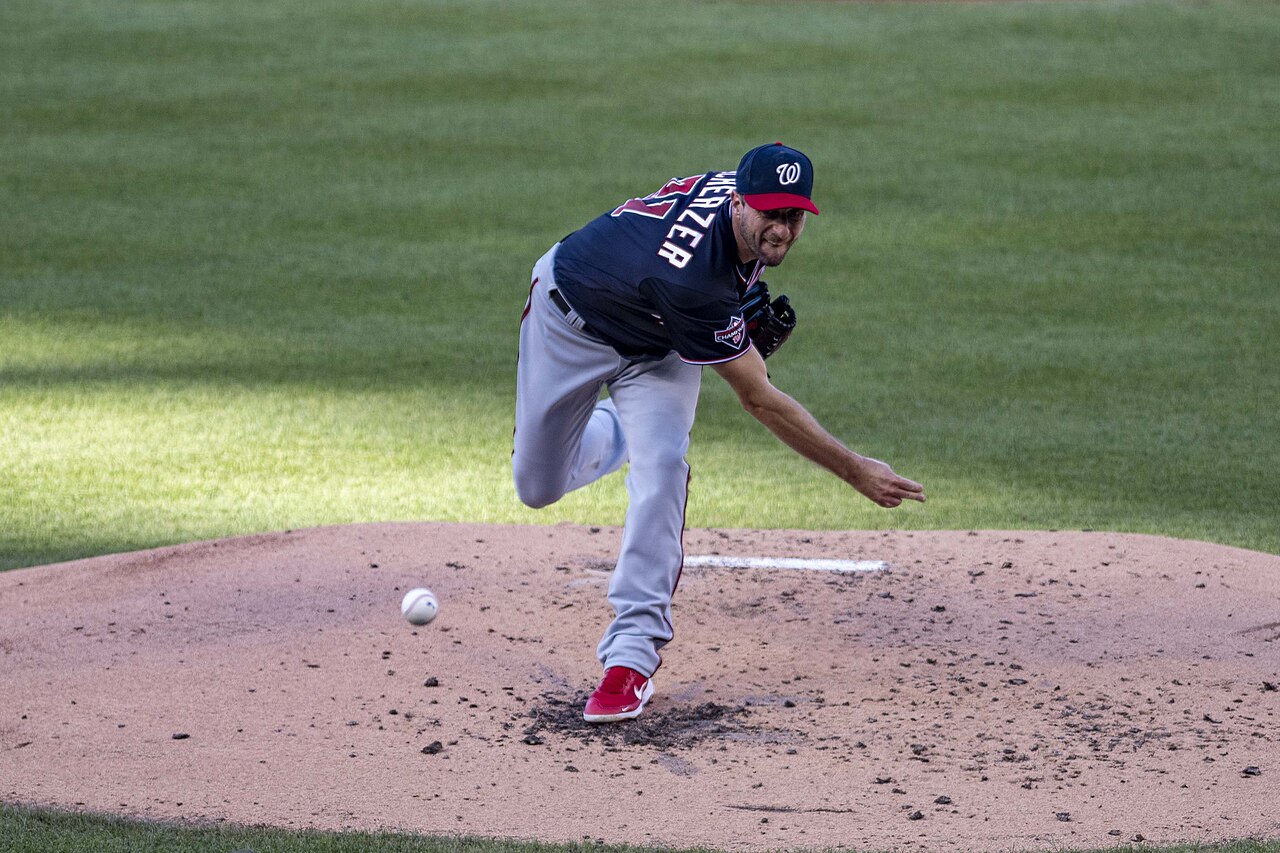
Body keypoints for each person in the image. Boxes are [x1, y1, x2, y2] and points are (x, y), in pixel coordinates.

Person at [512, 142, 925, 723]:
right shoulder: (695, 283)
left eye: (793, 216)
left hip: (664, 344)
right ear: (736, 201)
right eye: (769, 215)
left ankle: (629, 660)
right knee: (537, 486)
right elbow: (759, 398)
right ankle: (621, 434)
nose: (781, 229)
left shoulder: (742, 204)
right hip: (569, 323)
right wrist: (854, 467)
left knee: (662, 470)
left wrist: (732, 324)